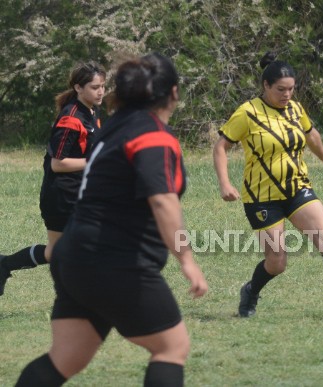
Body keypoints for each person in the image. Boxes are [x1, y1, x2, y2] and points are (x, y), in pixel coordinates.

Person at [15, 52, 208, 386]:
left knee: (64, 359)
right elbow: (162, 201)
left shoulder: (112, 128)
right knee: (172, 347)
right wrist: (187, 259)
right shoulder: (153, 135)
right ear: (174, 92)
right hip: (114, 260)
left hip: (74, 255)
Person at [213, 51, 323, 318]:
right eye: (281, 89)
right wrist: (224, 183)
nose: (287, 94)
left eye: (291, 89)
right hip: (262, 197)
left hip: (297, 188)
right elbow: (221, 146)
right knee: (277, 262)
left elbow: (310, 133)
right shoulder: (248, 113)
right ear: (266, 86)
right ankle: (251, 292)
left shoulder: (295, 109)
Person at [0, 61, 106, 296]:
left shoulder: (92, 111)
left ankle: (4, 264)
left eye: (103, 87)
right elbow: (59, 164)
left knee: (58, 251)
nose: (100, 92)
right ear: (78, 88)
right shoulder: (70, 118)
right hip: (62, 196)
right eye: (94, 87)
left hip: (80, 192)